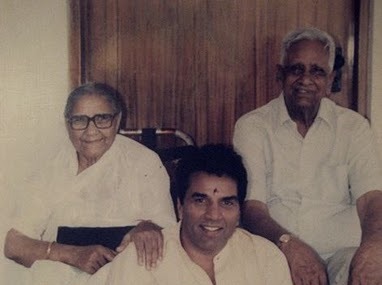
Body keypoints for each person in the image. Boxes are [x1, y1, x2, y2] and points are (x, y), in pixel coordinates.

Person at [233, 27, 382, 285]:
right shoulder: (253, 126)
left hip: (342, 254)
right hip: (277, 251)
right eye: (296, 69)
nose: (306, 79)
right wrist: (290, 245)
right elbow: (251, 207)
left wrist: (374, 247)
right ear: (280, 74)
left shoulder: (354, 127)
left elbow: (371, 199)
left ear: (330, 79)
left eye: (317, 71)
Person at [4, 82, 176, 284]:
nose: (91, 131)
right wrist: (73, 255)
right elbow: (14, 245)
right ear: (68, 124)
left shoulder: (143, 162)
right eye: (80, 120)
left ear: (117, 119)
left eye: (102, 119)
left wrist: (149, 227)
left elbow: (170, 233)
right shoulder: (50, 166)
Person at [87, 144, 292, 285]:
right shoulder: (140, 261)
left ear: (239, 211)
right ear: (180, 207)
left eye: (226, 203)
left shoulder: (265, 258)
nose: (213, 215)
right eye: (200, 200)